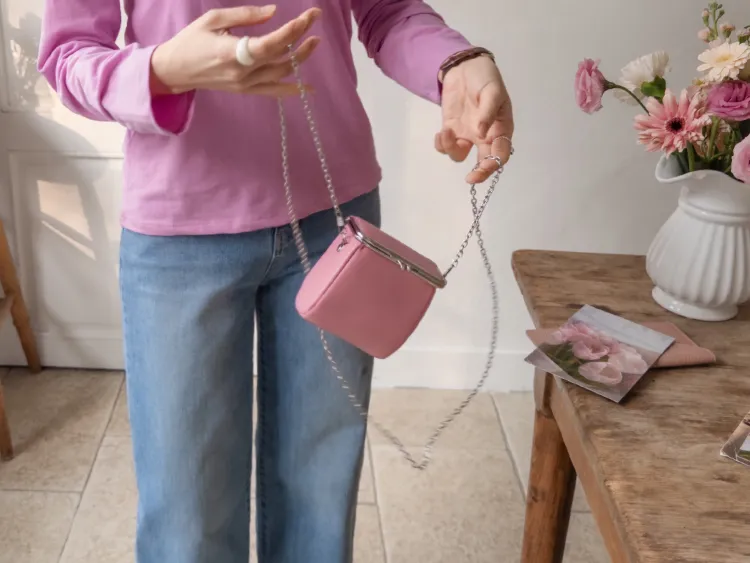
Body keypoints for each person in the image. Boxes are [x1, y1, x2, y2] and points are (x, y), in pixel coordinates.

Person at [37, 2, 513, 562]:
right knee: (188, 518)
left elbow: (386, 11)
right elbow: (68, 55)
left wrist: (455, 63)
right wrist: (161, 70)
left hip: (334, 218)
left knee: (320, 500)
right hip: (180, 231)